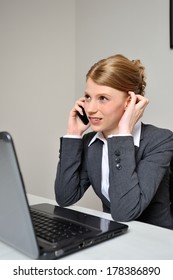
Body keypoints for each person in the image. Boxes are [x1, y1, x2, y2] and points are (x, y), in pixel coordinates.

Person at [55, 54, 173, 229]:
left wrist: (122, 134)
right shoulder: (91, 142)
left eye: (103, 98)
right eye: (88, 97)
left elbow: (125, 212)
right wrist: (73, 134)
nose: (90, 109)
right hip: (115, 238)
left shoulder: (160, 141)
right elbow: (65, 197)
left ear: (129, 101)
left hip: (156, 242)